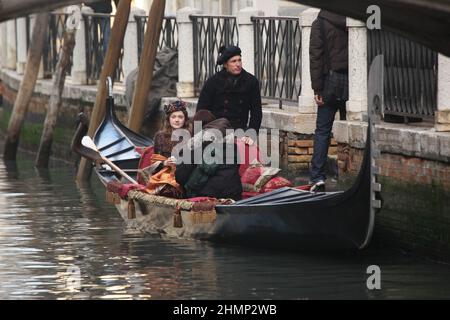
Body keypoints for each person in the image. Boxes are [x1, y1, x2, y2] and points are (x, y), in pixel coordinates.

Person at [309, 10, 349, 191]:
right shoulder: (353, 17)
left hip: (328, 84)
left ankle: (317, 177)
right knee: (352, 131)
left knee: (323, 131)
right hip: (353, 83)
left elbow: (316, 57)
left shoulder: (320, 22)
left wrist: (317, 88)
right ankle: (348, 174)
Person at [197, 45, 262, 145]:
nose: (238, 64)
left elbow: (256, 112)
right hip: (216, 130)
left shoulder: (251, 82)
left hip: (240, 132)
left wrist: (251, 135)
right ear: (225, 64)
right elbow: (201, 111)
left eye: (239, 60)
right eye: (233, 61)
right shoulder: (213, 82)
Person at [175, 110, 243, 201]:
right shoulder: (230, 141)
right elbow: (237, 165)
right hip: (235, 192)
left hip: (208, 196)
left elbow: (180, 177)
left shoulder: (196, 144)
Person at [143, 100, 191, 198]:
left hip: (185, 173)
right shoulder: (160, 137)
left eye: (180, 117)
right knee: (166, 184)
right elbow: (155, 161)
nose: (177, 120)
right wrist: (165, 163)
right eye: (173, 117)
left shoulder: (191, 135)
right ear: (168, 119)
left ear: (185, 119)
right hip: (165, 172)